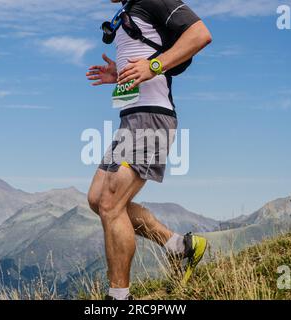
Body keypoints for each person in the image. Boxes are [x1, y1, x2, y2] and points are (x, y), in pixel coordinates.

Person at [86, 0, 212, 300]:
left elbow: (200, 34)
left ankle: (118, 298)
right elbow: (143, 59)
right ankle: (180, 245)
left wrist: (153, 65)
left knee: (111, 204)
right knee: (97, 199)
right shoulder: (128, 8)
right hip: (130, 118)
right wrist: (118, 76)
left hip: (153, 118)